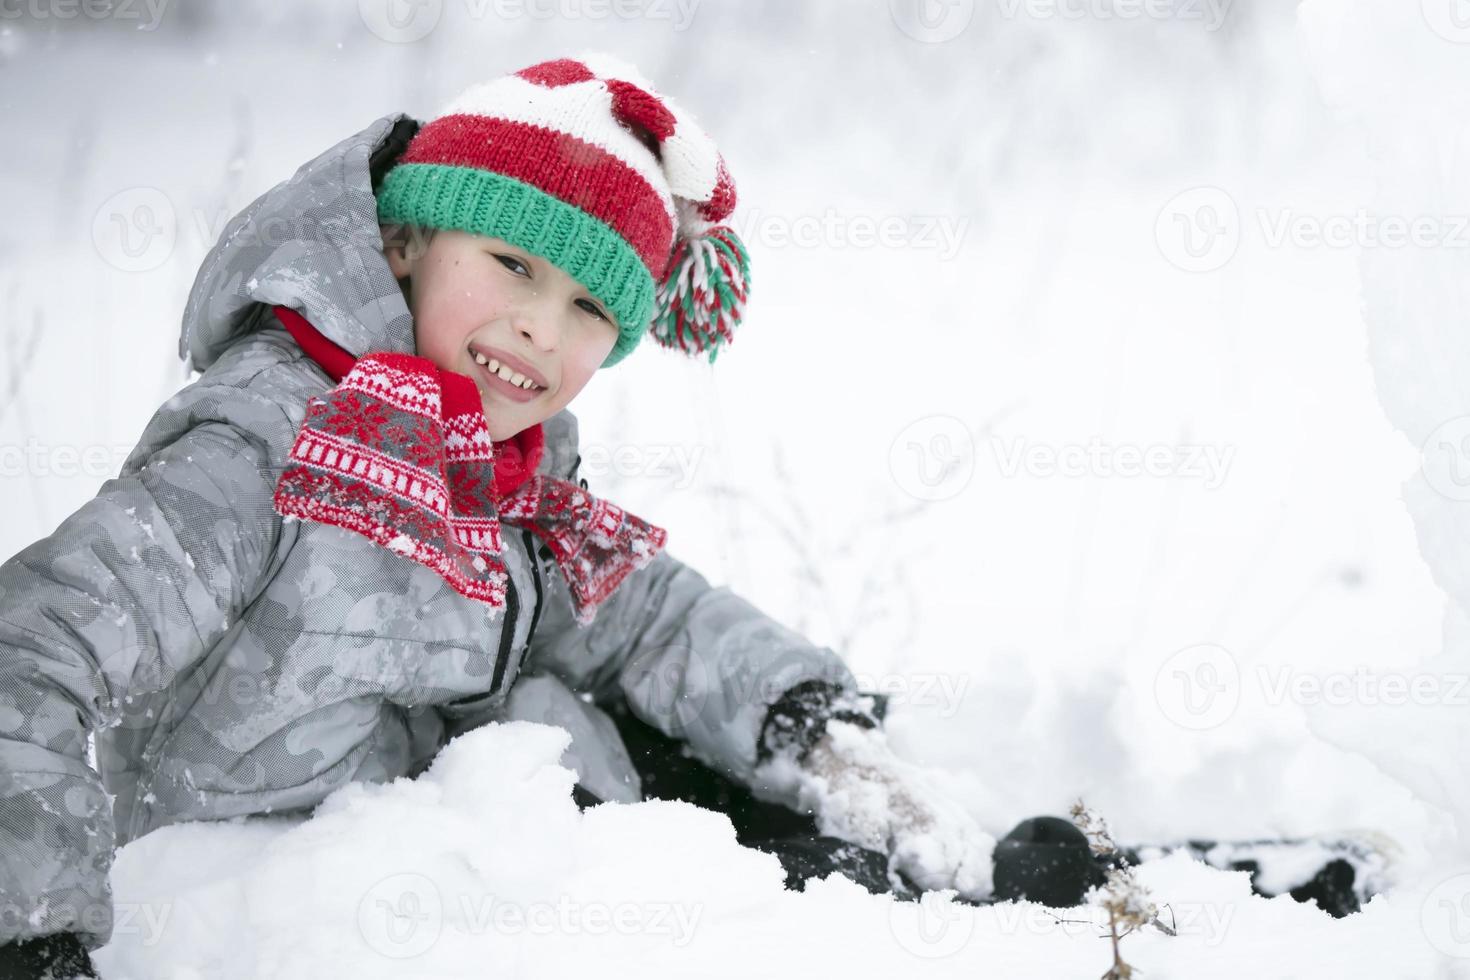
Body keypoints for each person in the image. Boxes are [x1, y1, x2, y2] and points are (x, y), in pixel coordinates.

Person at [0, 53, 999, 978]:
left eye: (588, 309)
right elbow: (30, 648)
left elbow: (635, 613)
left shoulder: (502, 458)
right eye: (514, 264)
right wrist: (31, 928)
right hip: (285, 904)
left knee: (626, 733)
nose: (540, 327)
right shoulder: (267, 441)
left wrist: (811, 722)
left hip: (471, 866)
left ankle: (909, 877)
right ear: (405, 241)